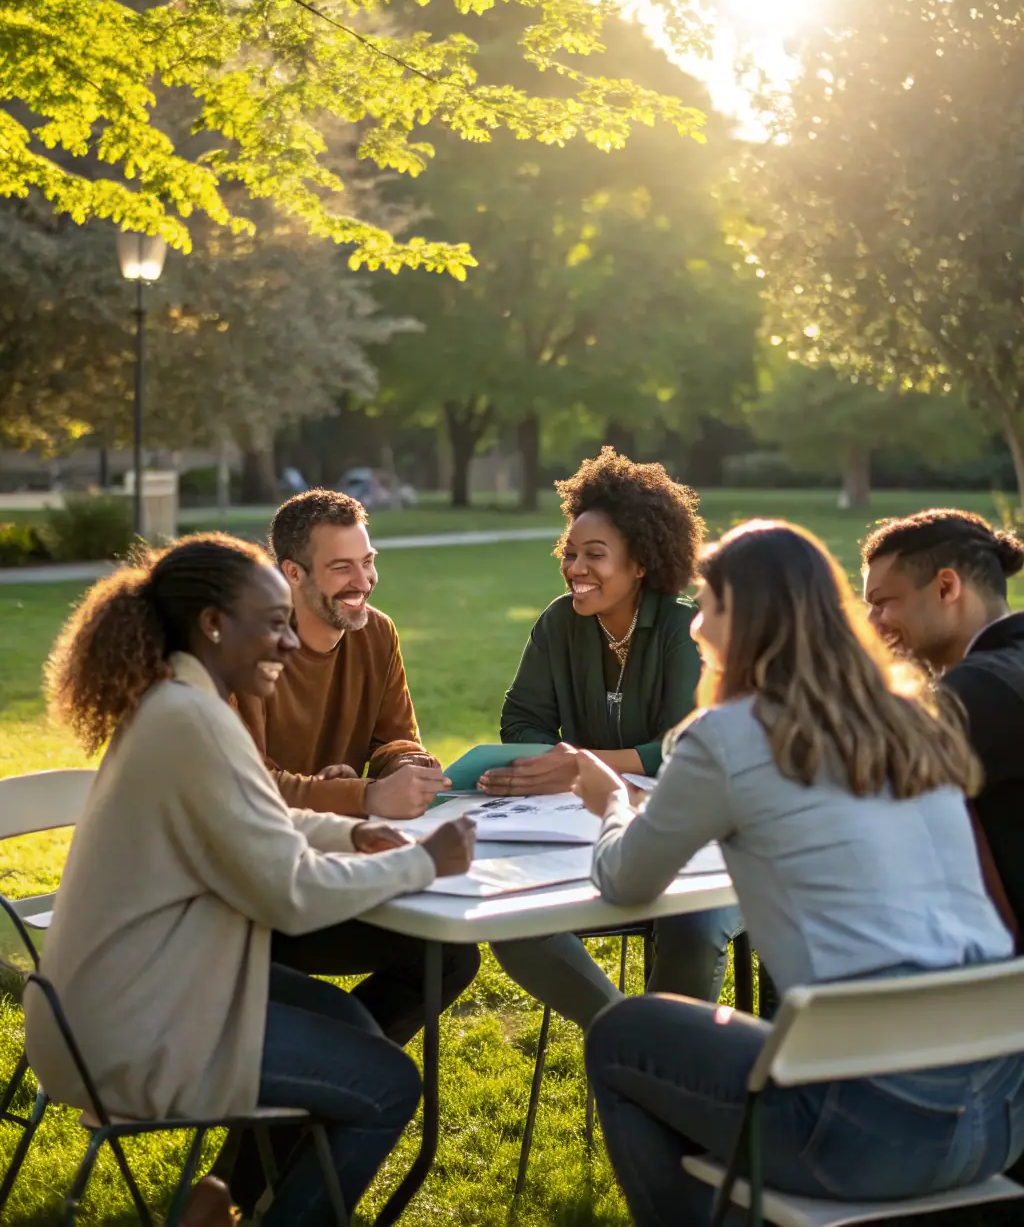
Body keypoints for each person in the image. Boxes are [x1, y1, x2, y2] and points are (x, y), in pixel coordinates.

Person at [574, 519, 1022, 1227]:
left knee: (621, 1033)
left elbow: (625, 881)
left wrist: (609, 805)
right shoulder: (912, 722)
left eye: (708, 606)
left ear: (745, 619)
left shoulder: (726, 735)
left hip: (867, 1132)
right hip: (999, 1117)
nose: (694, 630)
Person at [25, 534, 476, 1227]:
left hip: (127, 997)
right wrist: (422, 860)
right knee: (386, 1084)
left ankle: (229, 1197)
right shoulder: (191, 718)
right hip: (130, 1028)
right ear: (214, 625)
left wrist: (353, 832)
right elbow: (289, 894)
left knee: (350, 1022)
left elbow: (266, 817)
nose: (290, 643)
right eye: (273, 623)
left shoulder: (183, 701)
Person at [484, 448, 742, 1029]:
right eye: (570, 553)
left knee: (695, 927)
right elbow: (520, 720)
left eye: (595, 555)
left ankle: (669, 1061)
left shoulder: (683, 632)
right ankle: (624, 1034)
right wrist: (568, 770)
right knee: (511, 916)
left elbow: (682, 747)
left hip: (698, 840)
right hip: (587, 827)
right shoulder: (558, 622)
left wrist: (578, 765)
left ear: (641, 564)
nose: (576, 567)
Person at [232, 489, 480, 1051]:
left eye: (367, 562)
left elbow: (394, 737)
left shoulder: (377, 633)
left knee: (447, 955)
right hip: (254, 893)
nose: (362, 581)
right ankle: (338, 1077)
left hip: (337, 859)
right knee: (434, 955)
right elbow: (248, 788)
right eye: (341, 567)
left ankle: (337, 1073)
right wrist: (362, 794)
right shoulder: (247, 654)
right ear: (293, 573)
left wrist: (410, 768)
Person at [862, 507, 1024, 942]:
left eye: (882, 603)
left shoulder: (980, 690)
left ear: (946, 587)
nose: (872, 624)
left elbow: (858, 782)